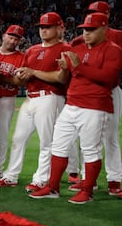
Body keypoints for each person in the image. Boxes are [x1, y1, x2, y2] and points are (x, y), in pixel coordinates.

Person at [29, 12, 122, 204]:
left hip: (95, 105)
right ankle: (52, 187)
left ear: (104, 29)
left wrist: (78, 66)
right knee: (58, 146)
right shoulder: (78, 47)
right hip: (72, 104)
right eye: (85, 30)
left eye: (91, 30)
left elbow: (108, 78)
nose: (87, 33)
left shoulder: (112, 50)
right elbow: (70, 74)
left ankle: (87, 191)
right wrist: (66, 67)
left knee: (90, 149)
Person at [0, 12, 71, 192]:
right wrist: (19, 75)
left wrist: (33, 72)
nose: (43, 30)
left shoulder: (64, 48)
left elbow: (60, 78)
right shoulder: (32, 50)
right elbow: (23, 78)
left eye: (48, 26)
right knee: (18, 139)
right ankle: (11, 176)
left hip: (50, 97)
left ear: (59, 28)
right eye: (41, 27)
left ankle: (41, 179)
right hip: (30, 97)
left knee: (47, 142)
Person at [69, 0, 122, 195]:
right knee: (87, 137)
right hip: (87, 92)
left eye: (97, 12)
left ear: (107, 16)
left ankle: (114, 179)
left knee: (111, 137)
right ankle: (87, 180)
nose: (91, 15)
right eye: (89, 12)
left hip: (110, 90)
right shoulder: (80, 39)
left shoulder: (117, 36)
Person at [0, 25, 25, 179]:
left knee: (1, 137)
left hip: (6, 99)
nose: (13, 41)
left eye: (16, 38)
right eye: (10, 37)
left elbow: (19, 81)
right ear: (3, 36)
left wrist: (0, 78)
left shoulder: (21, 57)